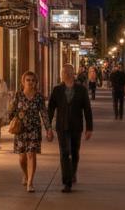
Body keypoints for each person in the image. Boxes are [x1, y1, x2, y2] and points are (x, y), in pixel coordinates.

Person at [47, 63, 93, 193]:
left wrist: (89, 128)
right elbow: (50, 109)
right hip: (62, 126)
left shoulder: (81, 90)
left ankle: (73, 173)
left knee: (75, 152)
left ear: (73, 74)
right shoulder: (57, 90)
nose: (66, 74)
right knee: (64, 152)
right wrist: (48, 127)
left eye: (68, 72)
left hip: (76, 126)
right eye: (63, 72)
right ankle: (67, 182)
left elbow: (87, 109)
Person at [7, 71, 48, 192]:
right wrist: (13, 119)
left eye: (33, 80)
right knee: (22, 158)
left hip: (34, 129)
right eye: (28, 80)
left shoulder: (39, 97)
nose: (30, 82)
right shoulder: (18, 95)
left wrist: (49, 129)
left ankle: (30, 182)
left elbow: (44, 113)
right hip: (21, 130)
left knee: (31, 154)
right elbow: (11, 111)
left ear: (36, 83)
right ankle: (25, 174)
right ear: (23, 82)